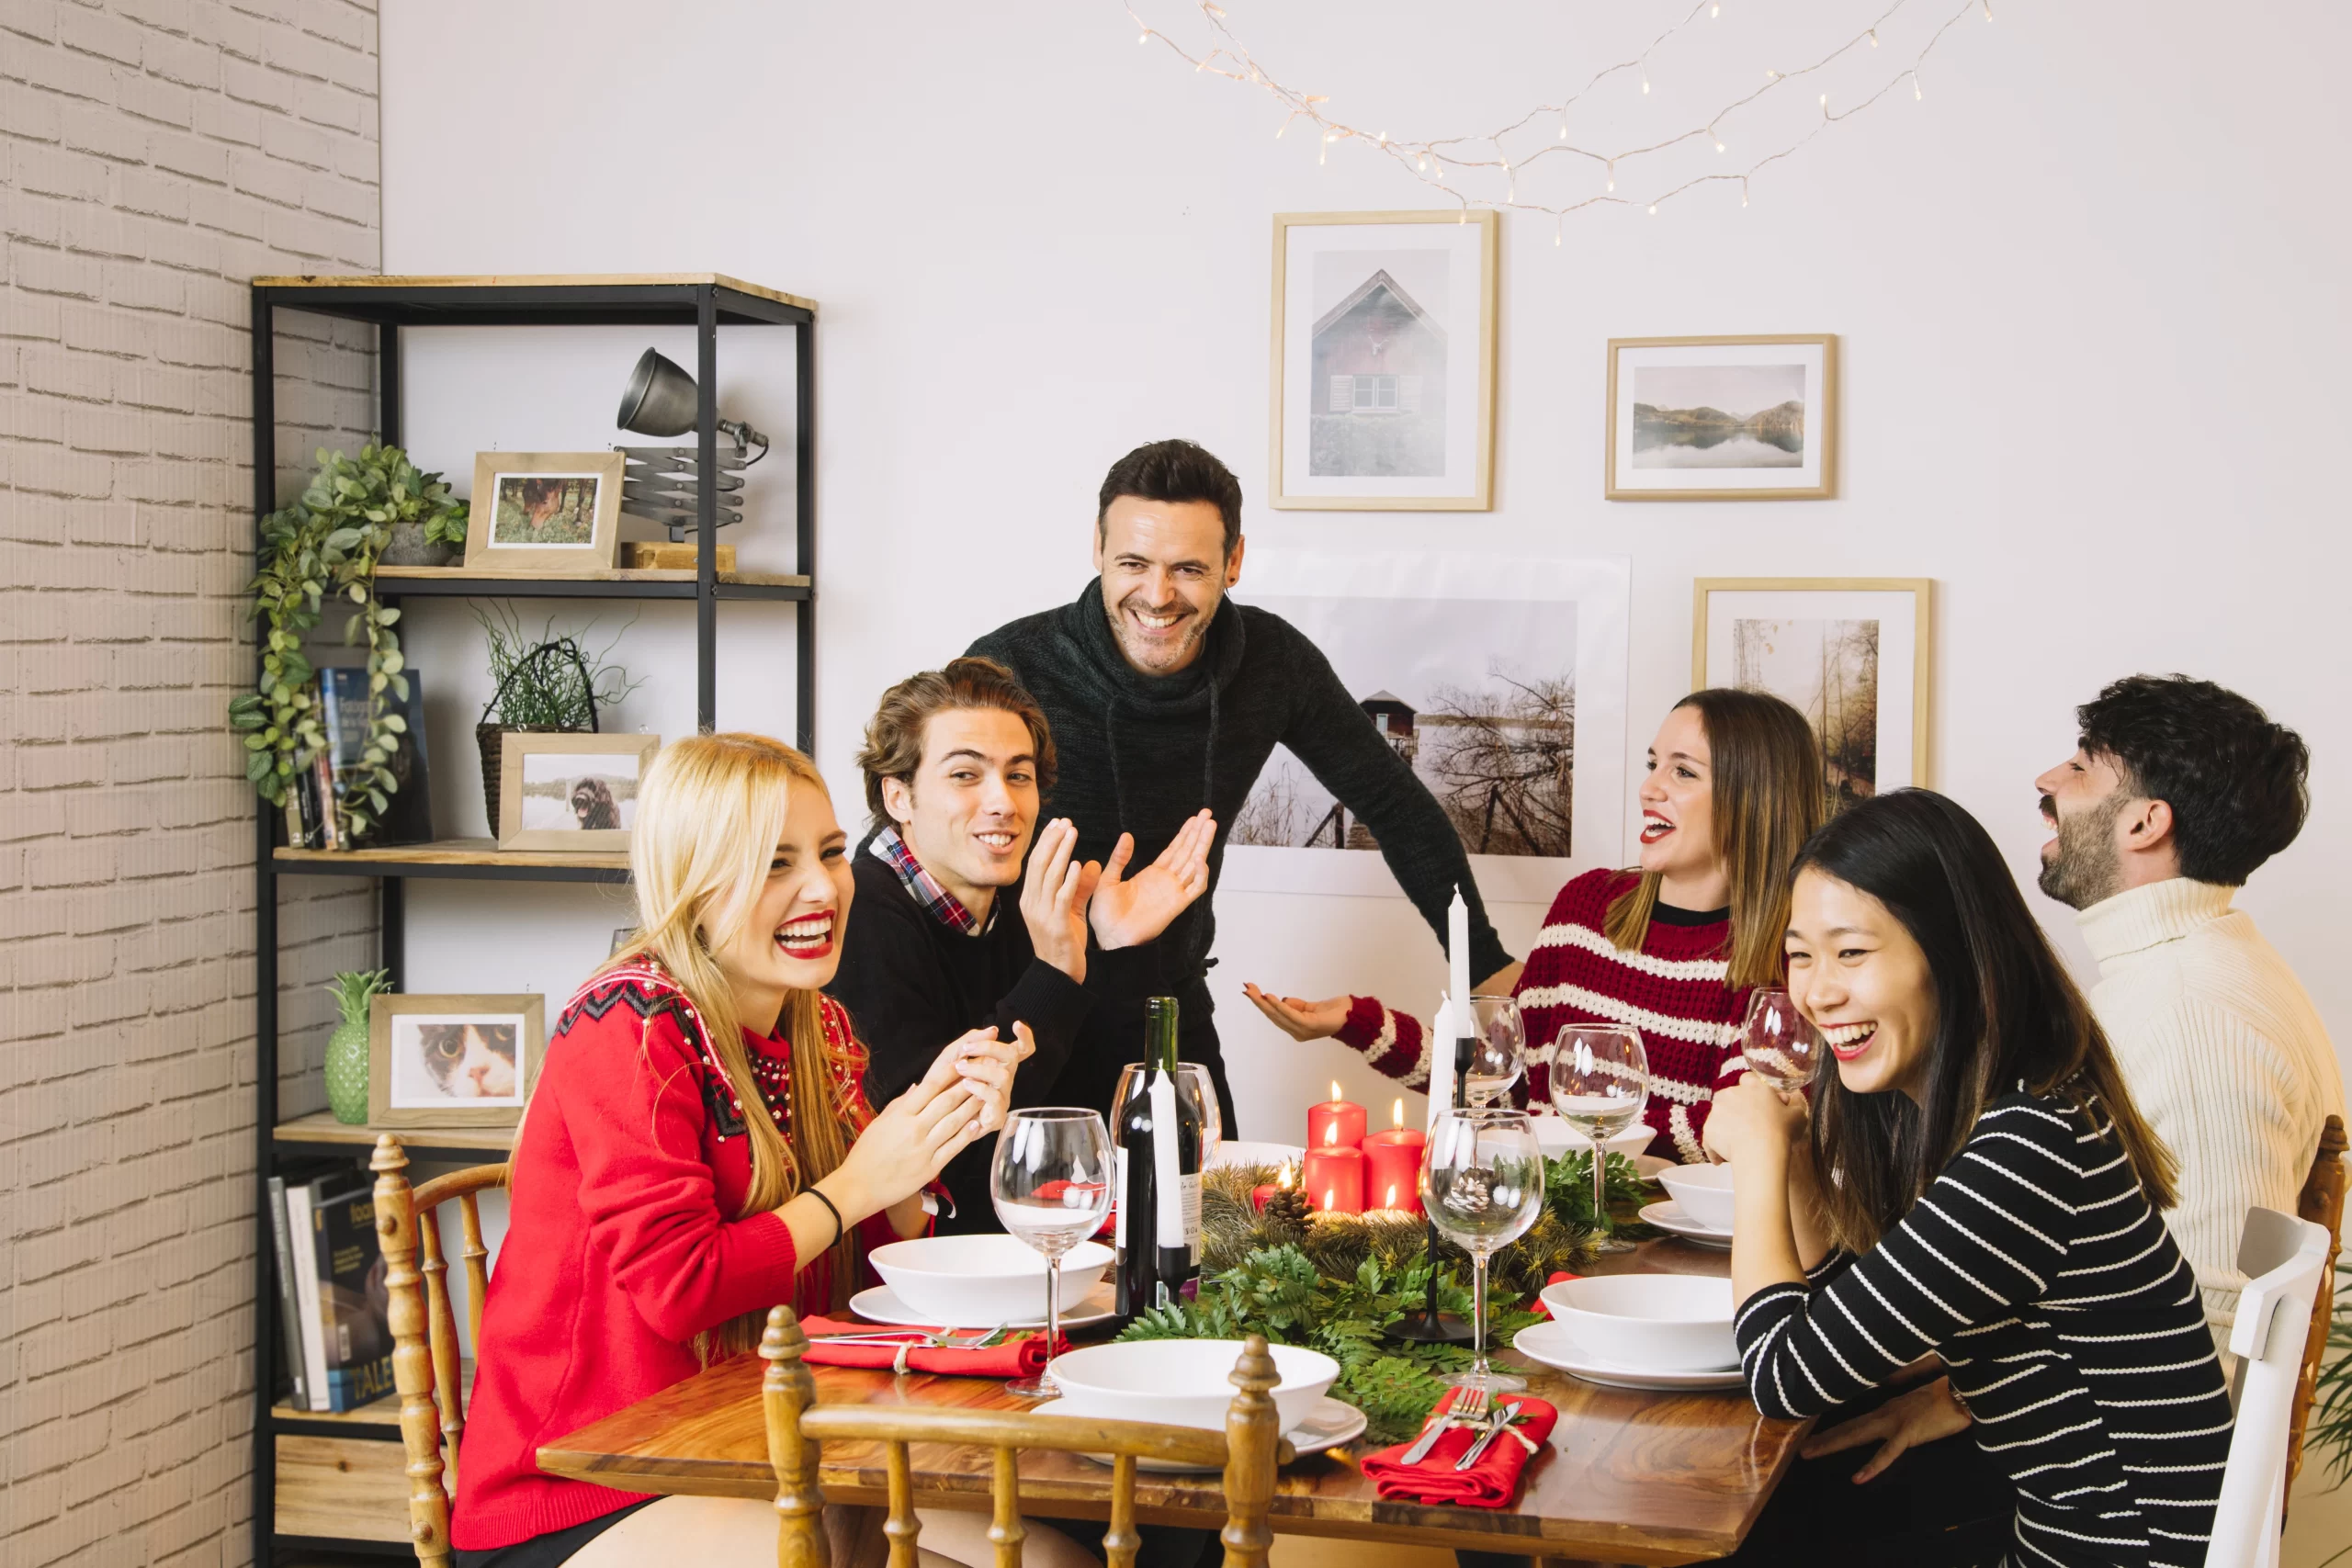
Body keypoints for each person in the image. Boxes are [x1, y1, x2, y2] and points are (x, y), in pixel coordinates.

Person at [450, 733, 1087, 1568]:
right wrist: (856, 1185)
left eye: (829, 853)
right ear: (695, 880)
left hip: (760, 1446)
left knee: (1059, 1561)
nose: (822, 886)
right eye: (774, 862)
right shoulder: (629, 1024)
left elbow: (854, 1287)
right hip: (582, 1488)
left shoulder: (812, 1020)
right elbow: (681, 1289)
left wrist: (930, 1132)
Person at [1706, 789, 2230, 1568]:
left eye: (1851, 951)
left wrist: (1758, 1158)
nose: (1815, 990)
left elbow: (1787, 1374)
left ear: (1952, 951)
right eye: (1801, 952)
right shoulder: (2017, 1101)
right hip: (2063, 1531)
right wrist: (1802, 1172)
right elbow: (1857, 1312)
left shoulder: (2029, 1149)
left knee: (1755, 1533)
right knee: (1790, 1513)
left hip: (2114, 1555)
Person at [967, 437, 1515, 1131]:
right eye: (1133, 563)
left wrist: (1486, 963)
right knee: (1040, 1228)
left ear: (1234, 562)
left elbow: (1391, 800)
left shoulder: (1271, 662)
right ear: (1098, 550)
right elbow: (924, 827)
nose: (1157, 595)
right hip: (1035, 1000)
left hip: (1170, 1002)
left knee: (1210, 1228)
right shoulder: (1011, 665)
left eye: (1188, 568)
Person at [1247, 688, 1823, 1162]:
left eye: (1684, 772)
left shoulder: (1785, 961)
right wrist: (1358, 1020)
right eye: (1653, 765)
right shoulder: (1584, 910)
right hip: (1544, 1228)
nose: (1650, 788)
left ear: (1753, 800)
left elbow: (1738, 1133)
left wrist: (1565, 1122)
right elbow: (1502, 1081)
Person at [827, 657, 1215, 1234]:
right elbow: (958, 1163)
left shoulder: (1014, 902)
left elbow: (1103, 1119)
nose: (1003, 803)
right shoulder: (857, 918)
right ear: (898, 797)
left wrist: (1117, 948)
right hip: (904, 1283)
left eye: (1019, 775)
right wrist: (1055, 971)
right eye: (965, 775)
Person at [2033, 673, 2344, 1356]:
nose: (2047, 778)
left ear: (2145, 820)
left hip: (2125, 1454)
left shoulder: (2191, 1019)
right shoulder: (2188, 969)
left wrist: (1970, 1403)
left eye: (2082, 766)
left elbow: (2209, 1330)